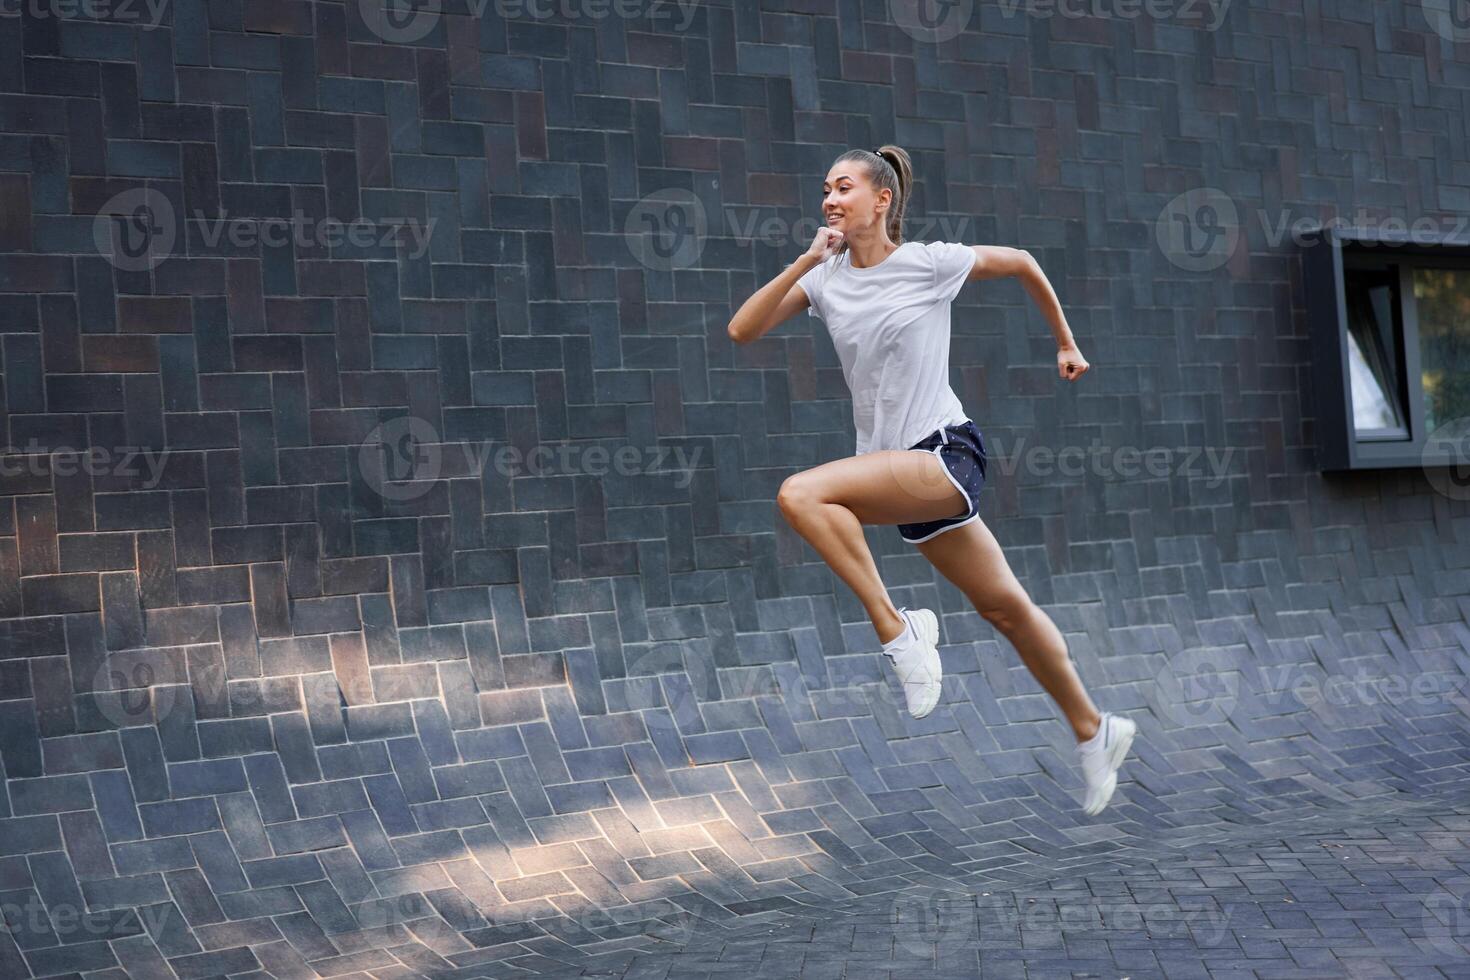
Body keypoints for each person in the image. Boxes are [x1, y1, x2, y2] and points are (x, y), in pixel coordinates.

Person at [726, 145, 1136, 816]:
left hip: (946, 454)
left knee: (802, 493)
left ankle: (899, 631)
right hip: (904, 481)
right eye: (826, 189)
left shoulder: (928, 262)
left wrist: (1066, 341)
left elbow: (1024, 263)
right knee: (1006, 609)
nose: (830, 199)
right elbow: (743, 329)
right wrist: (806, 259)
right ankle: (1095, 730)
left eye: (845, 188)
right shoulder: (824, 280)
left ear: (881, 200)